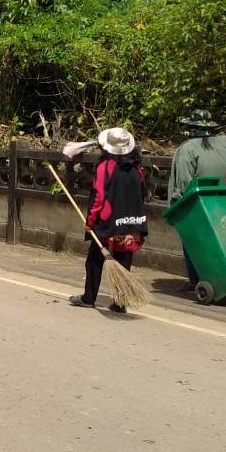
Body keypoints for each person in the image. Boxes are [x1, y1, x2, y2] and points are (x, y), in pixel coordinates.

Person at [67, 126, 148, 313]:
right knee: (124, 258)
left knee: (95, 259)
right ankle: (120, 303)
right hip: (132, 222)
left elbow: (98, 197)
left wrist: (90, 221)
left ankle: (89, 298)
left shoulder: (106, 167)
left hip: (109, 221)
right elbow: (141, 194)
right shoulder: (137, 168)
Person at [169, 110, 226, 291]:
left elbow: (183, 184)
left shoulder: (187, 149)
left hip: (196, 203)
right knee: (222, 240)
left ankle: (195, 280)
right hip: (221, 201)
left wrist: (176, 205)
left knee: (194, 241)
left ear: (191, 129)